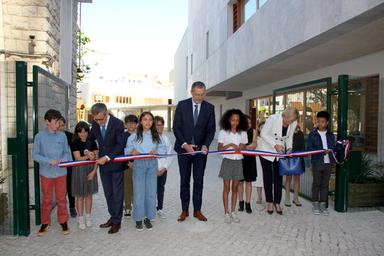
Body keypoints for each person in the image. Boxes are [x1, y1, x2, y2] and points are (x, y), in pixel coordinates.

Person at [173, 81, 216, 222]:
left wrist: (205, 145)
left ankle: (197, 210)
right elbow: (176, 127)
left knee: (199, 181)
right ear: (191, 92)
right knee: (184, 181)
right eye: (197, 94)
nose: (200, 97)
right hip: (184, 150)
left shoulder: (209, 108)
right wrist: (185, 144)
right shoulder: (182, 105)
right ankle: (184, 210)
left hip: (200, 152)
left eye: (202, 94)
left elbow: (211, 130)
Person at [85, 103, 125, 234]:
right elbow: (90, 140)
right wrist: (87, 151)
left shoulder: (118, 124)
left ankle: (117, 222)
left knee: (117, 194)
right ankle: (113, 217)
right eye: (95, 119)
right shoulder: (96, 124)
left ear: (106, 113)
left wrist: (107, 157)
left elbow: (120, 145)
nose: (97, 122)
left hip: (115, 164)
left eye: (100, 119)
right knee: (108, 194)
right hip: (103, 166)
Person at [32, 109, 72, 236]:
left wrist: (64, 160)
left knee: (61, 199)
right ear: (47, 122)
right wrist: (49, 161)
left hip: (61, 173)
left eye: (59, 121)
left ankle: (63, 221)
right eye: (55, 121)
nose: (58, 124)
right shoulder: (39, 137)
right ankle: (45, 223)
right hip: (46, 174)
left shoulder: (62, 135)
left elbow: (67, 152)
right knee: (47, 199)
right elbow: (35, 155)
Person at [125, 112, 166, 231]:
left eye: (150, 120)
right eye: (145, 119)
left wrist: (157, 151)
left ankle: (148, 217)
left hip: (152, 165)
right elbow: (126, 150)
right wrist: (132, 151)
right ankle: (138, 219)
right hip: (139, 164)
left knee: (151, 192)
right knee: (138, 193)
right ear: (141, 121)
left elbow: (163, 149)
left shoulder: (156, 135)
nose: (147, 122)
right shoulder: (134, 136)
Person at [258, 107, 298, 215]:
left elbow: (289, 138)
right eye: (289, 120)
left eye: (292, 121)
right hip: (267, 150)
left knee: (278, 177)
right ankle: (269, 201)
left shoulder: (293, 123)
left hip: (280, 152)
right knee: (267, 177)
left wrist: (289, 148)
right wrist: (275, 145)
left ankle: (277, 202)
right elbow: (263, 134)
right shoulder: (273, 118)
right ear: (284, 116)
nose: (290, 123)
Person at [307, 111, 341, 216]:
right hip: (317, 162)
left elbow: (334, 148)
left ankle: (323, 204)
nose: (320, 123)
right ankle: (315, 204)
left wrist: (332, 152)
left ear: (327, 122)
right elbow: (309, 148)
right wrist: (321, 150)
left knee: (325, 184)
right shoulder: (312, 134)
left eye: (322, 121)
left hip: (328, 163)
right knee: (316, 183)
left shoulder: (331, 135)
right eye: (318, 121)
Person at [218, 109, 248, 224]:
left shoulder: (243, 132)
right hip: (227, 161)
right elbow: (220, 148)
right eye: (232, 120)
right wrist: (230, 145)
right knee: (227, 188)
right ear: (228, 120)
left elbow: (244, 145)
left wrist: (241, 146)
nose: (235, 122)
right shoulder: (223, 132)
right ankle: (226, 212)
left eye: (237, 120)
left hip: (238, 162)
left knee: (235, 188)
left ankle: (233, 211)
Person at [71, 121, 99, 230]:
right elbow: (77, 158)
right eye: (80, 132)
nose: (83, 134)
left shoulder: (92, 141)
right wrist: (88, 156)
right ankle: (80, 218)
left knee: (89, 195)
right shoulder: (74, 142)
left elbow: (97, 157)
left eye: (85, 131)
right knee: (80, 196)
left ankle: (88, 217)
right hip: (79, 169)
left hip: (91, 168)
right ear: (77, 133)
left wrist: (94, 171)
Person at [58, 117, 77, 218]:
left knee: (70, 186)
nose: (60, 127)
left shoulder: (70, 136)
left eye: (62, 125)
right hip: (57, 166)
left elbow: (74, 150)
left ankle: (72, 206)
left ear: (64, 125)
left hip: (69, 165)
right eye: (58, 125)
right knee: (60, 188)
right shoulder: (53, 136)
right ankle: (61, 208)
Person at [238, 115, 257, 214]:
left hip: (250, 159)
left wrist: (245, 147)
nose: (249, 125)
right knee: (240, 182)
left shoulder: (253, 131)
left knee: (249, 182)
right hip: (240, 159)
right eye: (247, 123)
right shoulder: (238, 132)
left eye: (250, 123)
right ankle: (240, 203)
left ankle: (248, 204)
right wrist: (247, 147)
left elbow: (254, 144)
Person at [154, 116, 173, 219]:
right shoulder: (149, 138)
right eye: (157, 125)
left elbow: (170, 154)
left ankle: (160, 208)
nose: (159, 127)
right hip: (152, 170)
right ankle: (150, 209)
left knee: (161, 189)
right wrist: (155, 169)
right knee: (151, 190)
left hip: (163, 170)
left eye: (161, 125)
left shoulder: (166, 139)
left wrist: (164, 168)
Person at [284, 125, 305, 207]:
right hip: (289, 158)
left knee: (297, 178)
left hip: (298, 158)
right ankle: (287, 197)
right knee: (288, 178)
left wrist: (301, 157)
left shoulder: (300, 133)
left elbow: (302, 146)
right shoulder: (287, 133)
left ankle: (296, 197)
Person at [123, 114, 138, 217]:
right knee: (127, 187)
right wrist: (128, 163)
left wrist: (135, 162)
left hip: (138, 165)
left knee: (137, 187)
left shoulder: (140, 135)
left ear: (136, 124)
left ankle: (137, 206)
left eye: (133, 123)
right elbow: (120, 151)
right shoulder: (122, 136)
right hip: (126, 165)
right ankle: (127, 207)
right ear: (125, 124)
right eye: (129, 123)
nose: (131, 125)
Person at [254, 121, 265, 209]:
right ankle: (259, 196)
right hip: (258, 160)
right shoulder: (256, 138)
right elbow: (253, 147)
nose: (262, 129)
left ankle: (267, 196)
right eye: (261, 127)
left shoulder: (269, 138)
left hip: (267, 160)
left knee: (266, 178)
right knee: (259, 178)